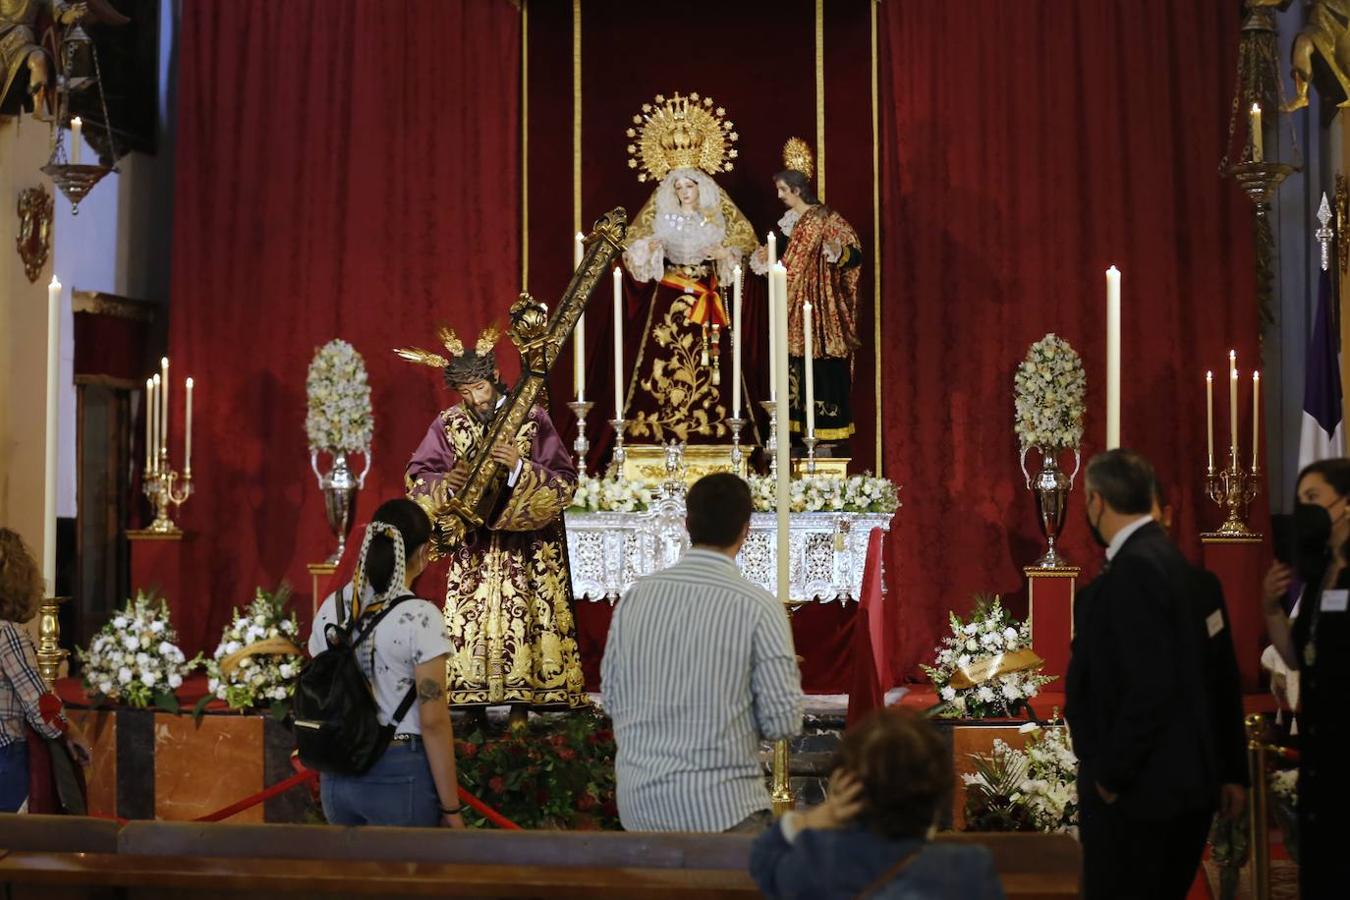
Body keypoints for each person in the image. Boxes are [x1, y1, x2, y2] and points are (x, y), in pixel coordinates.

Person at [1065, 449, 1233, 899]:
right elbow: (1221, 680)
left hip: (1140, 792)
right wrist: (1232, 769)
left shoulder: (1127, 578)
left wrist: (1110, 777)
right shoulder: (1192, 577)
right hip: (1189, 786)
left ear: (1097, 501)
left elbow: (1150, 686)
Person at [398, 323, 585, 722]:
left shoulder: (531, 419)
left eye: (480, 389)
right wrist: (443, 483)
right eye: (465, 393)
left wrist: (520, 468)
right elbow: (418, 476)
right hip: (475, 554)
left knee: (527, 623)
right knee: (473, 627)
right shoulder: (450, 424)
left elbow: (565, 481)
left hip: (527, 551)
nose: (475, 400)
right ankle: (474, 706)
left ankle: (522, 707)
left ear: (496, 378)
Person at [602, 472, 802, 832]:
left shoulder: (636, 598)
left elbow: (612, 699)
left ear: (686, 524)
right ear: (746, 530)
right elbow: (782, 722)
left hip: (639, 806)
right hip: (725, 809)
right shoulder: (758, 606)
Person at [308, 500, 465, 828]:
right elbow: (434, 720)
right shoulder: (421, 617)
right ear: (423, 553)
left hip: (337, 772)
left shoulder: (331, 608)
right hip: (397, 772)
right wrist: (451, 808)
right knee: (409, 879)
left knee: (353, 879)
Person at [750, 708, 1004, 900]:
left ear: (847, 787)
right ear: (938, 790)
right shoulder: (971, 869)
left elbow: (762, 858)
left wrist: (819, 816)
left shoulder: (816, 862)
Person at [621, 92, 758, 442]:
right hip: (669, 296)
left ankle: (715, 432)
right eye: (678, 186)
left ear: (701, 186)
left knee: (712, 362)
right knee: (664, 356)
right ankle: (657, 432)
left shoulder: (716, 217)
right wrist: (649, 248)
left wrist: (723, 252)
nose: (684, 191)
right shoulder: (661, 216)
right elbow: (632, 249)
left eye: (689, 185)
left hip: (706, 293)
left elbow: (745, 246)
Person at [1260, 458, 1350, 895]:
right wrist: (1273, 608)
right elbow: (1298, 657)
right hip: (1323, 747)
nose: (1305, 512)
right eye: (1300, 503)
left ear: (1346, 504)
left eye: (1313, 499)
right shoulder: (1317, 577)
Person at [751, 138, 862, 450]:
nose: (779, 195)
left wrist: (838, 251)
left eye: (783, 190)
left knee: (823, 365)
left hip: (821, 307)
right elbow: (783, 259)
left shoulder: (825, 218)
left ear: (797, 190)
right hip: (793, 307)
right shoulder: (790, 225)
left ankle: (826, 437)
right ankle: (796, 437)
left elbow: (854, 254)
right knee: (793, 368)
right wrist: (764, 258)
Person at [0, 528, 91, 812]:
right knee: (21, 852)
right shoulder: (7, 634)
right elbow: (43, 711)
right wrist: (72, 732)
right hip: (4, 764)